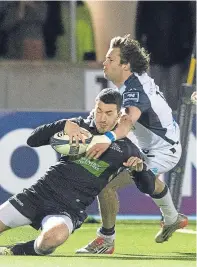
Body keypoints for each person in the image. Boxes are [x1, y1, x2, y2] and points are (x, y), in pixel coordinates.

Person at [64, 35, 188, 254]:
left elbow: (127, 122)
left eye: (111, 59)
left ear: (125, 65)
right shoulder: (130, 82)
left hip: (163, 151)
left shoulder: (134, 90)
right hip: (149, 145)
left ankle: (106, 240)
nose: (105, 62)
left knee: (109, 183)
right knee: (139, 177)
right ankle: (172, 218)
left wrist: (107, 140)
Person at [0, 88, 147, 256]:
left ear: (118, 115)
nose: (102, 118)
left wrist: (139, 169)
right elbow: (32, 140)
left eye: (108, 113)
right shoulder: (79, 126)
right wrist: (63, 125)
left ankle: (14, 250)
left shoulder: (127, 148)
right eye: (99, 111)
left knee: (50, 240)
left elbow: (147, 183)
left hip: (68, 209)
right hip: (37, 194)